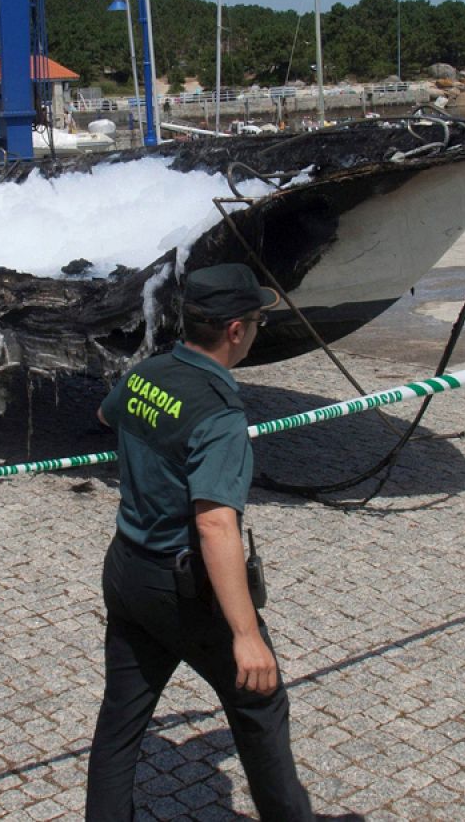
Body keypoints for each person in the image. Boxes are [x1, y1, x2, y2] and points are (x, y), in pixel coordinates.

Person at [87, 264, 312, 822]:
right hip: (184, 588)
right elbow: (215, 524)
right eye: (258, 320)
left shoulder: (149, 371)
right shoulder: (220, 413)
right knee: (260, 706)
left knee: (120, 722)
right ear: (236, 330)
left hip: (127, 570)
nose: (258, 329)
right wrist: (245, 635)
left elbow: (105, 414)